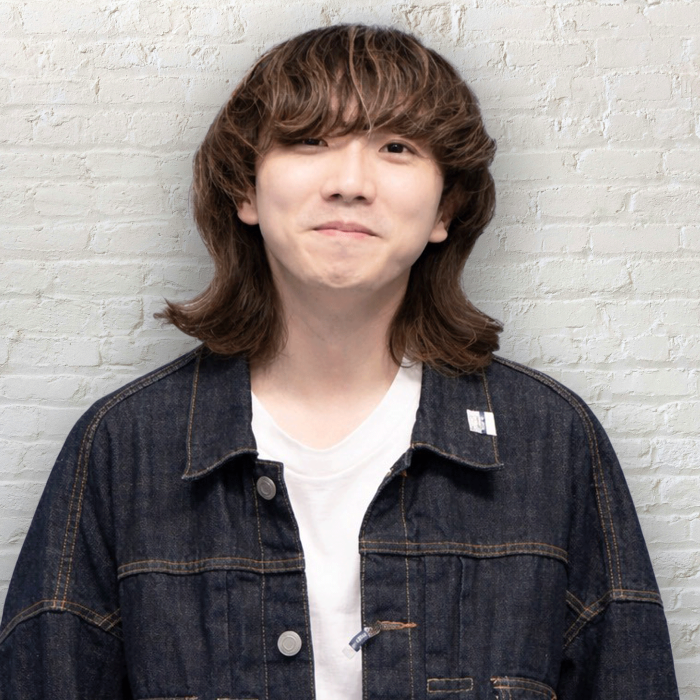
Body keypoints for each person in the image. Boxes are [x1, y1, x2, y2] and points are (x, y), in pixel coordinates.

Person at [0, 23, 678, 700]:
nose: (350, 183)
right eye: (309, 140)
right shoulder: (124, 447)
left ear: (445, 208)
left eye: (396, 147)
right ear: (245, 191)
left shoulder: (550, 440)